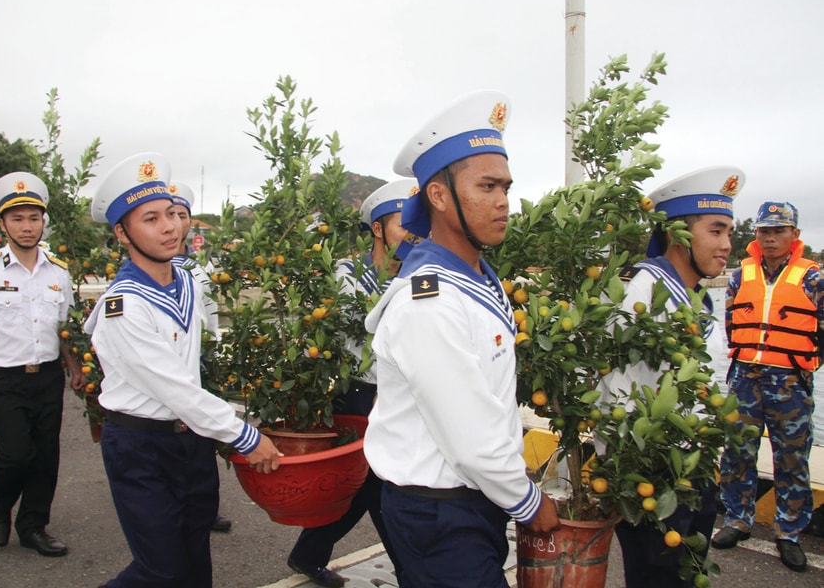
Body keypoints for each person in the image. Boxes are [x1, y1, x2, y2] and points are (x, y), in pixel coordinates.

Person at [362, 91, 560, 587]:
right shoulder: (427, 300)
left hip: (469, 503)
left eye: (506, 188)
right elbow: (470, 441)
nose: (502, 203)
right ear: (440, 195)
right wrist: (529, 502)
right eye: (487, 186)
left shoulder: (478, 279)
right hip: (440, 514)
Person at [84, 153, 281, 587]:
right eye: (150, 219)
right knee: (162, 569)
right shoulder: (124, 307)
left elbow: (195, 369)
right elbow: (175, 388)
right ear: (122, 233)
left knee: (194, 559)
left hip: (189, 441)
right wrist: (244, 435)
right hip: (141, 446)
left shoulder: (188, 282)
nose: (170, 226)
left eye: (172, 214)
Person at [601, 167, 742, 587]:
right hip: (655, 479)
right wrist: (638, 474)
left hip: (692, 470)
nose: (727, 246)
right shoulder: (642, 294)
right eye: (716, 231)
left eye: (730, 233)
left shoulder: (694, 297)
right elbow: (613, 390)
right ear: (677, 234)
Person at [0, 172, 86, 556]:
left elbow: (64, 328)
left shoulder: (58, 271)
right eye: (18, 219)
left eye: (34, 218)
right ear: (3, 223)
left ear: (44, 221)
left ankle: (33, 526)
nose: (27, 227)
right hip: (1, 378)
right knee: (16, 452)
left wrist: (73, 367)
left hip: (45, 377)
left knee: (46, 455)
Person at [287, 179, 417, 587]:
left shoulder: (417, 274)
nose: (413, 232)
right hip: (360, 395)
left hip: (401, 396)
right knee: (383, 488)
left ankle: (307, 555)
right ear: (378, 229)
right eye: (402, 223)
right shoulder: (347, 275)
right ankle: (413, 574)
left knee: (363, 490)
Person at [712, 201, 822, 572]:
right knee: (736, 453)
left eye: (779, 230)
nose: (771, 237)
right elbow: (730, 321)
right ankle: (737, 520)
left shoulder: (813, 278)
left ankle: (788, 533)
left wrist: (804, 365)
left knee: (791, 460)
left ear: (795, 235)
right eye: (764, 231)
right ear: (755, 235)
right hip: (745, 377)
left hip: (790, 382)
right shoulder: (740, 276)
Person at [168, 180, 232, 533]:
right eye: (169, 214)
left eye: (181, 215)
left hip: (199, 364)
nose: (175, 222)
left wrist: (214, 354)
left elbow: (211, 318)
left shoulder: (197, 270)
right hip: (165, 372)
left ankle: (205, 509)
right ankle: (177, 506)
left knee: (200, 442)